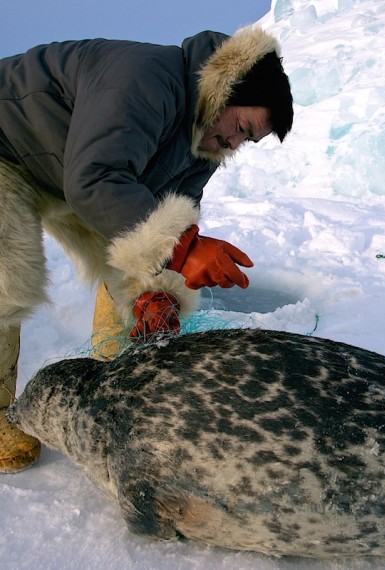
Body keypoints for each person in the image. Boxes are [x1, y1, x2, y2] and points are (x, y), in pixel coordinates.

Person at [0, 26, 294, 473]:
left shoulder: (204, 146)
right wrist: (185, 251)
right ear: (224, 90)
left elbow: (158, 221)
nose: (235, 144)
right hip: (10, 152)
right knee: (8, 283)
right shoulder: (145, 79)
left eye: (246, 141)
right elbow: (96, 179)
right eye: (240, 127)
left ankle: (113, 380)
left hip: (57, 174)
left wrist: (159, 293)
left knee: (136, 267)